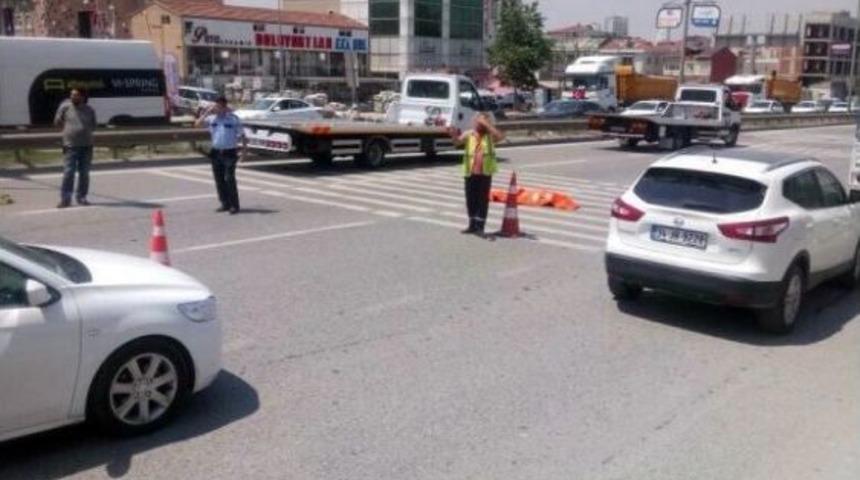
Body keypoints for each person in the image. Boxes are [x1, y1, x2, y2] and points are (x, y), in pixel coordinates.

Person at [450, 113, 506, 237]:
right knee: (471, 199)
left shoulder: (490, 136)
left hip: (485, 172)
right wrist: (453, 134)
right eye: (477, 121)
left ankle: (480, 227)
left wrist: (487, 124)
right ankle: (472, 225)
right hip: (470, 172)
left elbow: (500, 137)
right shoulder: (469, 134)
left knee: (482, 200)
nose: (478, 123)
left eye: (481, 121)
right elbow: (457, 143)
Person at [195, 96, 247, 214]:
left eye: (219, 106)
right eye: (216, 106)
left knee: (229, 179)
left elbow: (243, 136)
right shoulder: (211, 119)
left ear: (224, 107)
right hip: (216, 153)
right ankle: (225, 203)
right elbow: (197, 124)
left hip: (229, 153)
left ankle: (234, 205)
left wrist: (244, 153)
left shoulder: (233, 119)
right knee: (219, 179)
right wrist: (207, 112)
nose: (216, 109)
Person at [54, 89, 97, 208]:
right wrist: (68, 131)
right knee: (69, 172)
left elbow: (93, 126)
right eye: (72, 95)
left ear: (82, 97)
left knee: (84, 173)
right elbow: (57, 122)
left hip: (87, 145)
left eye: (76, 95)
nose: (73, 97)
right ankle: (65, 199)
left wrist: (84, 132)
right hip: (70, 145)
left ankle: (81, 197)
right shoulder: (65, 107)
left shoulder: (90, 110)